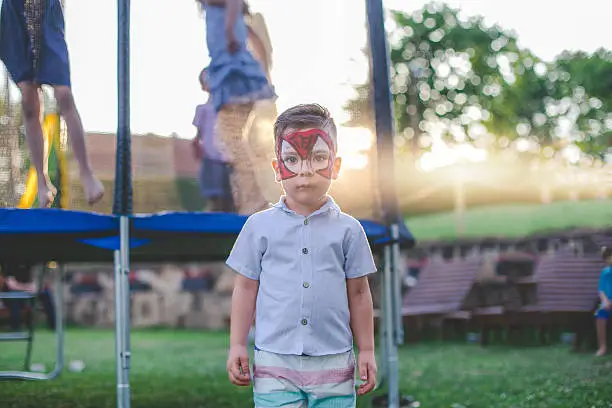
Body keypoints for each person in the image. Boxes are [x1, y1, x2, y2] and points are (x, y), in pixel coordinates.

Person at [225, 104, 378, 407]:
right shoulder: (258, 226)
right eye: (292, 159)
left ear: (335, 166)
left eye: (318, 158)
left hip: (334, 362)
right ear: (276, 167)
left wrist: (368, 350)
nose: (305, 171)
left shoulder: (350, 231)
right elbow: (244, 288)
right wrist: (237, 344)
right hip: (274, 362)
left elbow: (359, 294)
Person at [0, 0, 104, 208]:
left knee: (64, 94)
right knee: (29, 101)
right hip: (15, 9)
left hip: (45, 8)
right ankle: (41, 179)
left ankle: (86, 173)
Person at [197, 0, 276, 215]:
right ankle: (248, 199)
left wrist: (230, 32)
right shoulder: (228, 12)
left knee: (233, 141)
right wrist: (265, 69)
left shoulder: (229, 11)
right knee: (233, 141)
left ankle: (254, 200)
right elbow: (256, 40)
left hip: (233, 76)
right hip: (233, 75)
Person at [192, 67, 235, 212]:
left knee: (231, 193)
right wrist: (197, 146)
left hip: (229, 157)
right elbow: (198, 135)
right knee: (214, 193)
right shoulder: (202, 109)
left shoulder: (230, 108)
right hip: (211, 156)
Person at [595, 246, 612, 356]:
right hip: (608, 302)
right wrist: (605, 301)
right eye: (607, 258)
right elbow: (601, 289)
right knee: (600, 315)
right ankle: (603, 346)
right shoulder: (605, 272)